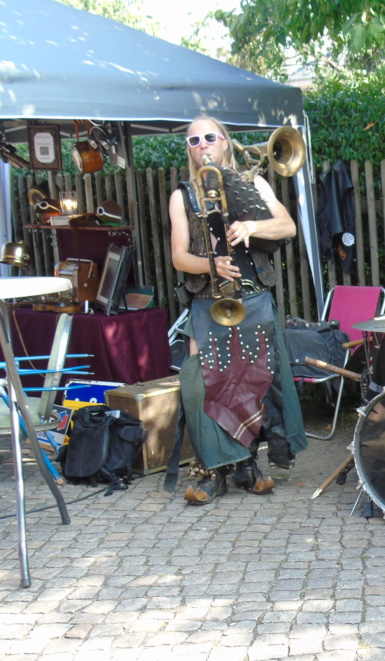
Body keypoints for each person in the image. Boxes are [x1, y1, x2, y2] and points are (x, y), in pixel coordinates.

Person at [168, 116, 307, 505]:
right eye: (194, 140)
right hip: (207, 303)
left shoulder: (253, 183)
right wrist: (209, 265)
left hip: (254, 299)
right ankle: (215, 470)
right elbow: (179, 256)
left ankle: (246, 464)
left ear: (225, 142)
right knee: (203, 385)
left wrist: (250, 226)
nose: (202, 145)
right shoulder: (182, 196)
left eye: (209, 137)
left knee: (255, 382)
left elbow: (287, 226)